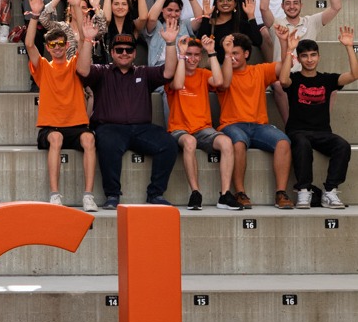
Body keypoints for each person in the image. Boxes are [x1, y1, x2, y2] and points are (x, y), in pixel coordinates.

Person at [76, 20, 179, 209]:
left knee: (169, 144)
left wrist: (171, 44)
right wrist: (88, 40)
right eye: (120, 50)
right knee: (107, 144)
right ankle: (112, 195)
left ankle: (155, 194)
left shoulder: (144, 72)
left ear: (134, 54)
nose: (124, 53)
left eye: (129, 50)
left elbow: (169, 72)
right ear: (112, 53)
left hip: (142, 129)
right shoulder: (103, 71)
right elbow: (82, 70)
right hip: (110, 127)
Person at [276, 26, 358, 209]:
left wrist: (349, 46)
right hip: (298, 131)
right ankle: (304, 191)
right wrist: (289, 50)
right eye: (305, 56)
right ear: (299, 58)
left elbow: (354, 75)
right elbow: (282, 81)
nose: (310, 59)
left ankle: (330, 191)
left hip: (322, 132)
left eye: (313, 55)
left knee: (343, 145)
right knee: (303, 144)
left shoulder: (327, 80)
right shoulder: (294, 79)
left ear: (319, 57)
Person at [26, 16, 98, 212]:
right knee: (56, 139)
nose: (57, 47)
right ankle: (55, 194)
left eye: (60, 44)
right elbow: (29, 43)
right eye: (53, 44)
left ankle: (88, 196)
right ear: (48, 47)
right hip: (52, 127)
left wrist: (76, 8)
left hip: (76, 125)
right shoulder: (43, 67)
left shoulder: (75, 64)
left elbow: (84, 42)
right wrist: (34, 16)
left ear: (66, 46)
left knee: (89, 140)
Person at [216, 32, 294, 210]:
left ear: (246, 54)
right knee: (238, 142)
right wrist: (226, 55)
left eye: (236, 53)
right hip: (232, 124)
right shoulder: (222, 74)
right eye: (229, 53)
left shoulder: (258, 70)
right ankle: (240, 193)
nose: (232, 57)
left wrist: (284, 44)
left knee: (283, 142)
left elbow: (283, 68)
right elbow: (224, 84)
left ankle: (281, 193)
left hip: (259, 126)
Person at [165, 33, 237, 210]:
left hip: (203, 128)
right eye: (189, 54)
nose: (193, 58)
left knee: (227, 142)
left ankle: (225, 194)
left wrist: (212, 52)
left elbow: (220, 81)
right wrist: (180, 55)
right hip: (179, 128)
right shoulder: (172, 74)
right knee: (190, 142)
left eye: (196, 55)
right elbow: (178, 84)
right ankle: (195, 193)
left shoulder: (204, 74)